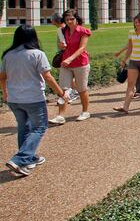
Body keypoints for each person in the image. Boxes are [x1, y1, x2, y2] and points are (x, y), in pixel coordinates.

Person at [1, 25, 66, 177]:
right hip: (33, 98)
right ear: (34, 37)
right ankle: (20, 159)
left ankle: (29, 158)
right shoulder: (37, 54)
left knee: (24, 127)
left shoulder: (8, 55)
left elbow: (2, 77)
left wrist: (5, 93)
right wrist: (61, 93)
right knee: (39, 127)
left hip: (14, 98)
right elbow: (48, 77)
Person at [49, 9, 92, 125]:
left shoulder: (83, 31)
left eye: (71, 19)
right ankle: (61, 115)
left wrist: (70, 58)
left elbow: (82, 48)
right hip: (66, 64)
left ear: (77, 19)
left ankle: (85, 111)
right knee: (64, 90)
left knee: (82, 89)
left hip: (80, 63)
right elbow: (62, 45)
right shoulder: (64, 31)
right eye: (67, 19)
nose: (69, 21)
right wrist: (61, 45)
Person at [113, 13, 140, 113]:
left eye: (139, 22)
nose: (137, 24)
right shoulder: (131, 32)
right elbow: (130, 47)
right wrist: (124, 59)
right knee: (130, 84)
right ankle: (125, 107)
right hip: (133, 61)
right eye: (135, 22)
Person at [51, 14, 79, 104]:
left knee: (68, 76)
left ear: (56, 21)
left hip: (65, 55)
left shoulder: (60, 30)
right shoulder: (68, 28)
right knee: (72, 75)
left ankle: (73, 93)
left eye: (52, 20)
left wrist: (62, 47)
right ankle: (74, 92)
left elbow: (64, 44)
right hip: (72, 54)